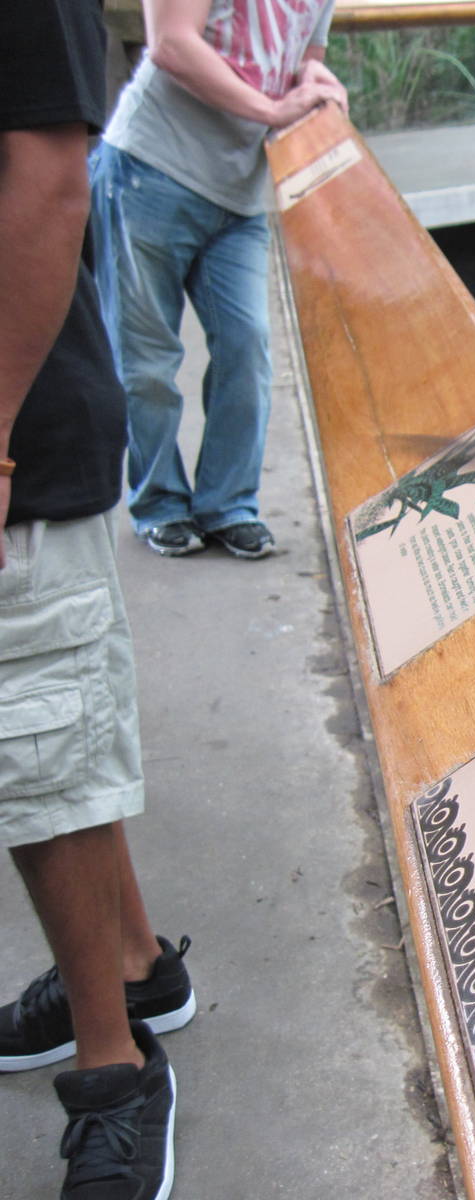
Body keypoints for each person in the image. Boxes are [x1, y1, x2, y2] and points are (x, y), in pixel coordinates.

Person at [1, 2, 196, 1197]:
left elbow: (45, 177)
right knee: (49, 734)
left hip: (25, 432)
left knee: (35, 741)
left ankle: (115, 1066)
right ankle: (130, 965)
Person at [90, 0, 347, 560]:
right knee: (147, 360)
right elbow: (170, 42)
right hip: (152, 168)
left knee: (247, 345)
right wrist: (273, 111)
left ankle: (228, 504)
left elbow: (300, 59)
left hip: (240, 193)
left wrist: (318, 87)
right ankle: (159, 504)